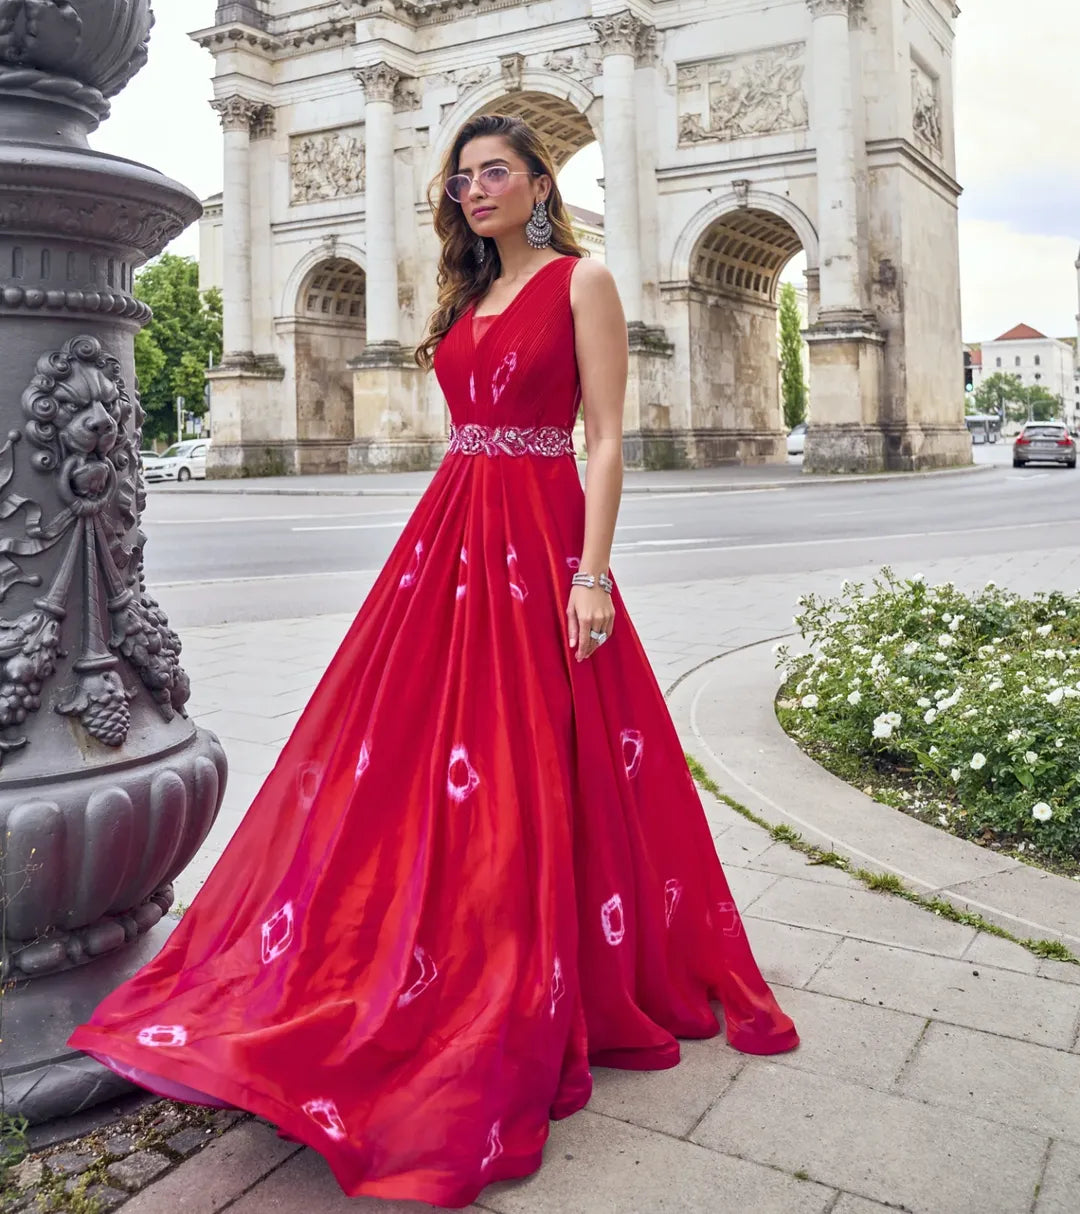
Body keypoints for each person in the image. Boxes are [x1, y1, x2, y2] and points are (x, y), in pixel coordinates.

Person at [69, 113, 798, 1208]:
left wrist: (591, 575)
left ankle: (533, 959)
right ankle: (409, 940)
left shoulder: (581, 280)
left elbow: (604, 436)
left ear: (542, 181)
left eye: (495, 172)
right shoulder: (466, 294)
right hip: (451, 533)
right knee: (409, 754)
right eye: (461, 178)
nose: (475, 190)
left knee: (543, 756)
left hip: (541, 533)